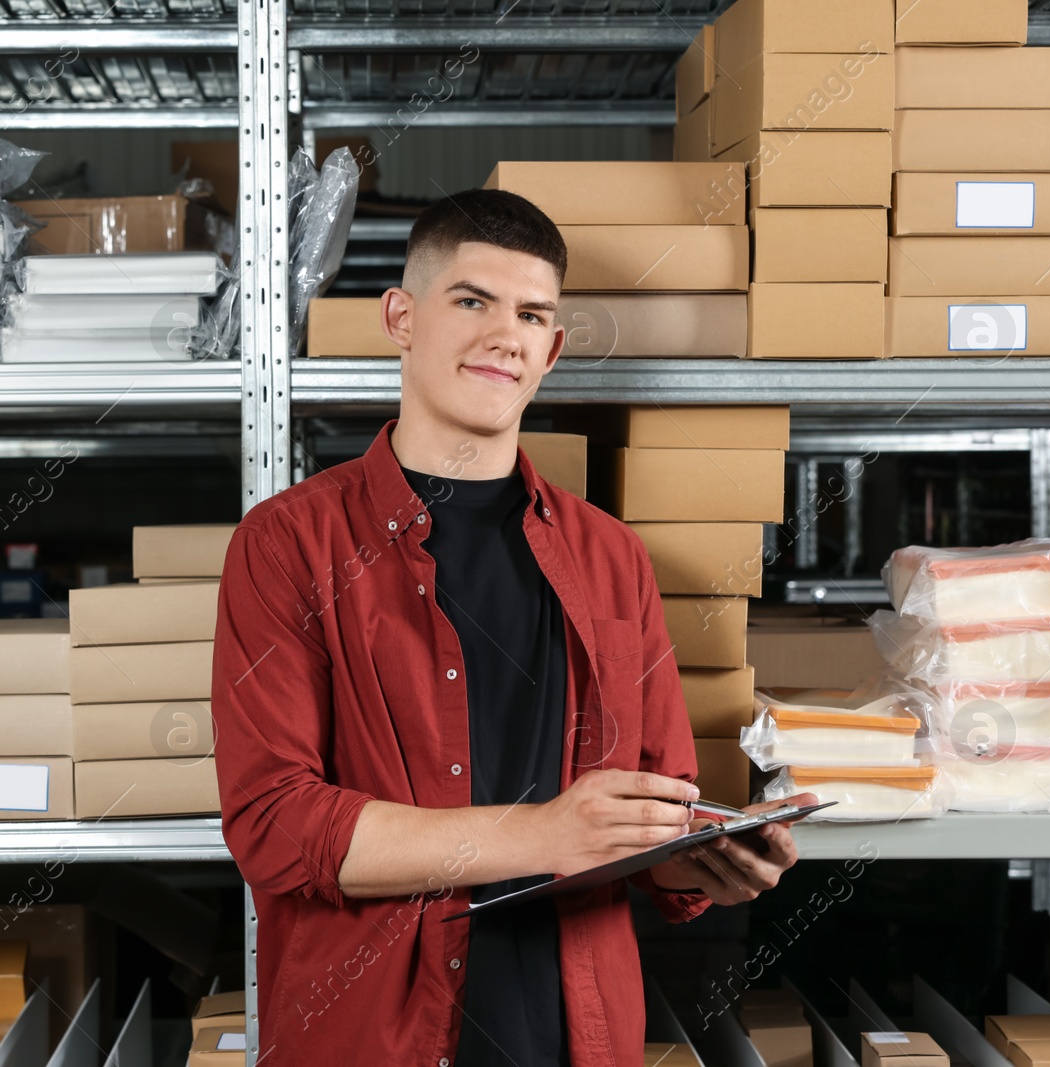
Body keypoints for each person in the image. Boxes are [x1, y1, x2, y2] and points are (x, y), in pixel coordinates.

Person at [212, 187, 815, 1067]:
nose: (506, 334)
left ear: (553, 348)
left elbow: (654, 808)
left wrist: (710, 857)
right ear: (401, 316)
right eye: (471, 301)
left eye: (532, 314)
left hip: (575, 1035)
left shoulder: (610, 558)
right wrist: (541, 834)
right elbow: (272, 820)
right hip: (374, 1037)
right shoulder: (289, 544)